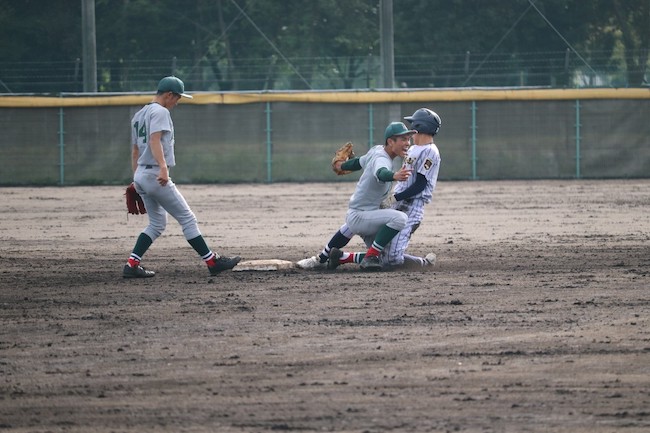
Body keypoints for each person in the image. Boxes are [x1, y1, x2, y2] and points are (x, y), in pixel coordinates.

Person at [122, 76, 241, 278]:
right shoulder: (160, 111)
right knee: (187, 218)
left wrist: (136, 179)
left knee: (156, 224)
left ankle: (131, 265)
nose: (177, 103)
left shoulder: (139, 114)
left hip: (142, 174)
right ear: (169, 95)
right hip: (154, 174)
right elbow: (155, 140)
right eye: (177, 98)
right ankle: (212, 261)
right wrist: (163, 168)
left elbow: (135, 151)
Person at [297, 108, 441, 271]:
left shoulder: (429, 151)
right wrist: (342, 165)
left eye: (410, 132)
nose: (408, 140)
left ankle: (342, 257)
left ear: (419, 126)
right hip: (394, 202)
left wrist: (394, 195)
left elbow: (420, 185)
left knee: (389, 258)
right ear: (391, 141)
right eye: (404, 138)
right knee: (372, 239)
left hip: (411, 205)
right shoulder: (397, 152)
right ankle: (323, 258)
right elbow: (370, 166)